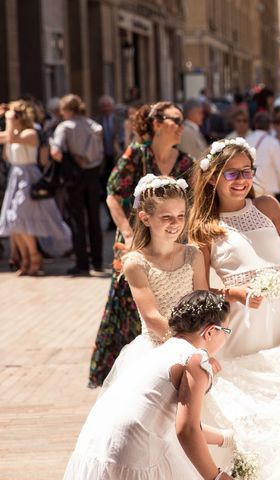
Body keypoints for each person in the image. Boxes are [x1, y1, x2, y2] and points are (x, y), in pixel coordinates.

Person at [64, 290, 234, 480]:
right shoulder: (195, 360)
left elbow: (171, 422)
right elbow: (187, 429)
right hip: (130, 457)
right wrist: (216, 477)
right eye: (226, 331)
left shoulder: (163, 351)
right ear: (210, 332)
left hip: (95, 445)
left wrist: (225, 438)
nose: (226, 339)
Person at [88, 101, 194, 388]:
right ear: (157, 123)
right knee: (127, 307)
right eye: (175, 119)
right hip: (136, 244)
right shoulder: (137, 153)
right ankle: (125, 376)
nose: (181, 126)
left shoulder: (185, 163)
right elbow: (112, 192)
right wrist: (127, 233)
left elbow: (191, 206)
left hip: (171, 241)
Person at [188, 136, 280, 358]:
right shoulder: (203, 228)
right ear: (211, 178)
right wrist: (234, 293)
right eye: (231, 173)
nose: (241, 180)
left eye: (247, 171)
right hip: (242, 330)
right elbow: (200, 292)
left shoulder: (268, 206)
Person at [101, 175, 213, 391]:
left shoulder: (193, 255)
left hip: (196, 345)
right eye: (166, 217)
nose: (176, 223)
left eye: (181, 216)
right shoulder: (136, 263)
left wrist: (201, 348)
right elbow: (152, 317)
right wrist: (186, 348)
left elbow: (204, 305)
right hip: (157, 346)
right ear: (145, 218)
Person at [0, 100, 71, 275]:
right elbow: (7, 151)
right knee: (15, 221)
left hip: (28, 177)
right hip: (15, 176)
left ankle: (34, 257)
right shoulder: (11, 133)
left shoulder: (30, 132)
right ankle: (26, 259)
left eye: (15, 115)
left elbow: (11, 138)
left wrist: (9, 120)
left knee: (20, 215)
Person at [50, 94, 105, 274]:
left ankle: (82, 263)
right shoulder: (94, 126)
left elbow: (56, 152)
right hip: (93, 173)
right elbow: (101, 153)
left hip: (74, 176)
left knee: (77, 219)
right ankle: (98, 261)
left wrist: (71, 157)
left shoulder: (65, 127)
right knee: (94, 218)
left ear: (65, 110)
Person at [246, 112, 280, 197]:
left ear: (255, 124)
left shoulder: (247, 140)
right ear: (269, 125)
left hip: (251, 186)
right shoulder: (273, 142)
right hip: (269, 188)